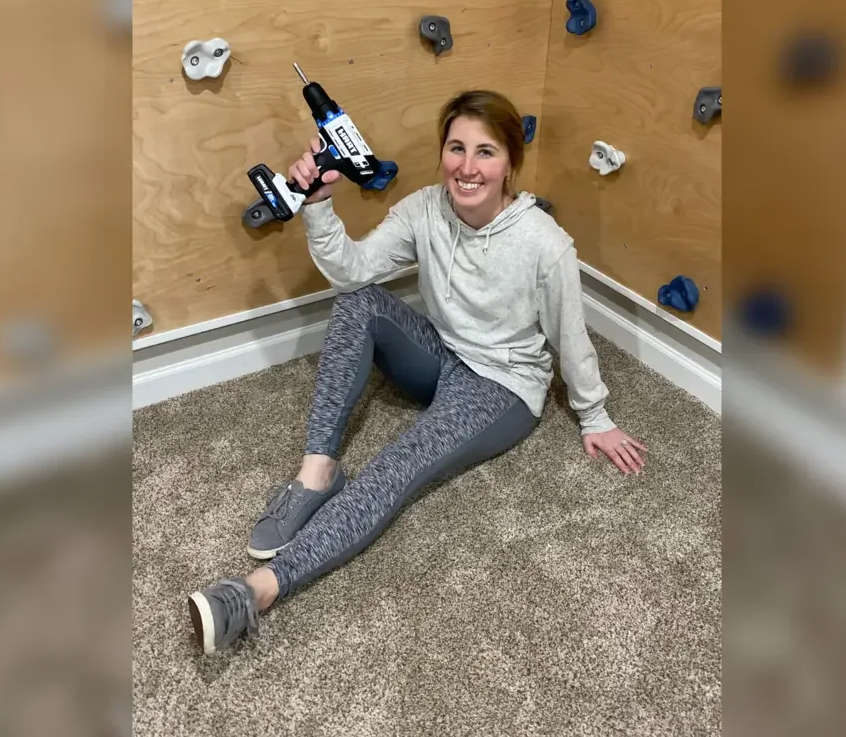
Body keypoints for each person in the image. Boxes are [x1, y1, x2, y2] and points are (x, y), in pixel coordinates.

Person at [186, 89, 647, 655]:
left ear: (510, 164)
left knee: (399, 463)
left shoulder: (544, 244)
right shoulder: (425, 208)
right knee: (358, 301)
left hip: (500, 385)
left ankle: (253, 593)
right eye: (457, 148)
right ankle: (316, 473)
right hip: (441, 354)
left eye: (486, 152)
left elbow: (569, 334)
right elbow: (351, 271)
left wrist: (595, 415)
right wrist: (318, 204)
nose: (468, 167)